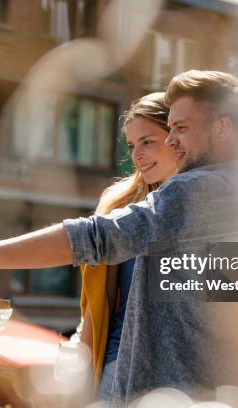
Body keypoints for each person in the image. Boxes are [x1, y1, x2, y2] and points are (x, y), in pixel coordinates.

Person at [0, 70, 238, 405]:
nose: (171, 141)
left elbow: (95, 237)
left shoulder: (194, 190)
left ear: (222, 128)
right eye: (169, 129)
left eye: (181, 129)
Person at [78, 92, 177, 401]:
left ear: (177, 137)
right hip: (118, 366)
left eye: (147, 141)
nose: (137, 156)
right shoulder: (117, 207)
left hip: (181, 375)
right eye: (132, 146)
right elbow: (97, 308)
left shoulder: (208, 205)